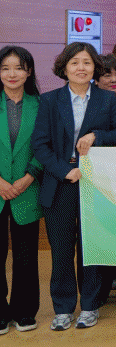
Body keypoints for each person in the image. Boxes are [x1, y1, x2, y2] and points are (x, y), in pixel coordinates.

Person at [31, 42, 116, 331]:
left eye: (87, 62)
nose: (81, 68)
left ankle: (89, 305)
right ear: (64, 68)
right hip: (60, 183)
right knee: (61, 250)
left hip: (95, 183)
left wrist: (96, 135)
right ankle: (62, 308)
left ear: (95, 68)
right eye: (74, 62)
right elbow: (40, 145)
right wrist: (65, 171)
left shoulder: (106, 99)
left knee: (91, 248)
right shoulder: (50, 101)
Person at [0, 46, 42, 332]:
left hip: (28, 188)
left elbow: (47, 144)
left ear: (28, 71)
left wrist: (29, 176)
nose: (12, 74)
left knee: (26, 255)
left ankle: (25, 310)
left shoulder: (41, 105)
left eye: (18, 68)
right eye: (5, 68)